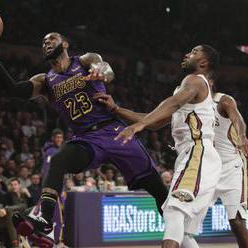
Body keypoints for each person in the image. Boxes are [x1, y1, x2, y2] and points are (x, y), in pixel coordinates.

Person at [0, 30, 168, 246]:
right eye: (43, 42)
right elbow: (13, 89)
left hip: (114, 131)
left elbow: (107, 70)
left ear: (65, 43)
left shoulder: (84, 60)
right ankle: (45, 218)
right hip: (87, 139)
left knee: (158, 191)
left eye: (51, 39)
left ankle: (179, 233)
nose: (46, 43)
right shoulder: (45, 81)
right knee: (59, 160)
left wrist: (102, 73)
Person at [95, 45, 222, 248]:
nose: (187, 54)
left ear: (203, 62)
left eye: (194, 52)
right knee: (182, 228)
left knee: (173, 212)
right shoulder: (188, 88)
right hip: (194, 155)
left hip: (198, 152)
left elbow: (172, 104)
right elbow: (153, 121)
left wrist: (139, 125)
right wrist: (116, 109)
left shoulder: (195, 81)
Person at [180, 80, 248, 248]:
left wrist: (242, 136)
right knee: (184, 229)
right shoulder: (191, 106)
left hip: (232, 167)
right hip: (208, 168)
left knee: (237, 223)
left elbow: (238, 120)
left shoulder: (224, 101)